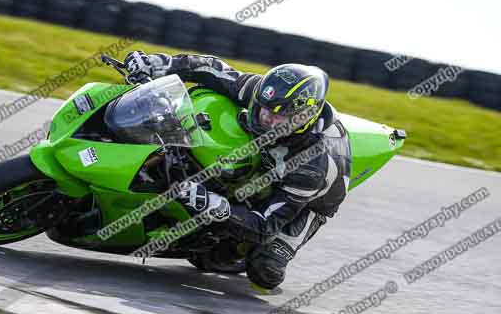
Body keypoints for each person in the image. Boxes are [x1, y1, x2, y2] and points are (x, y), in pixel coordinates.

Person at [123, 51, 352, 290]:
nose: (268, 120)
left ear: (302, 119)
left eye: (279, 117)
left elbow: (265, 225)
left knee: (265, 270)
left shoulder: (312, 166)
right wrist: (159, 63)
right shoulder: (261, 94)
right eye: (265, 111)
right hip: (271, 160)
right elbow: (209, 68)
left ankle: (237, 249)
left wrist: (216, 207)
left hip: (310, 202)